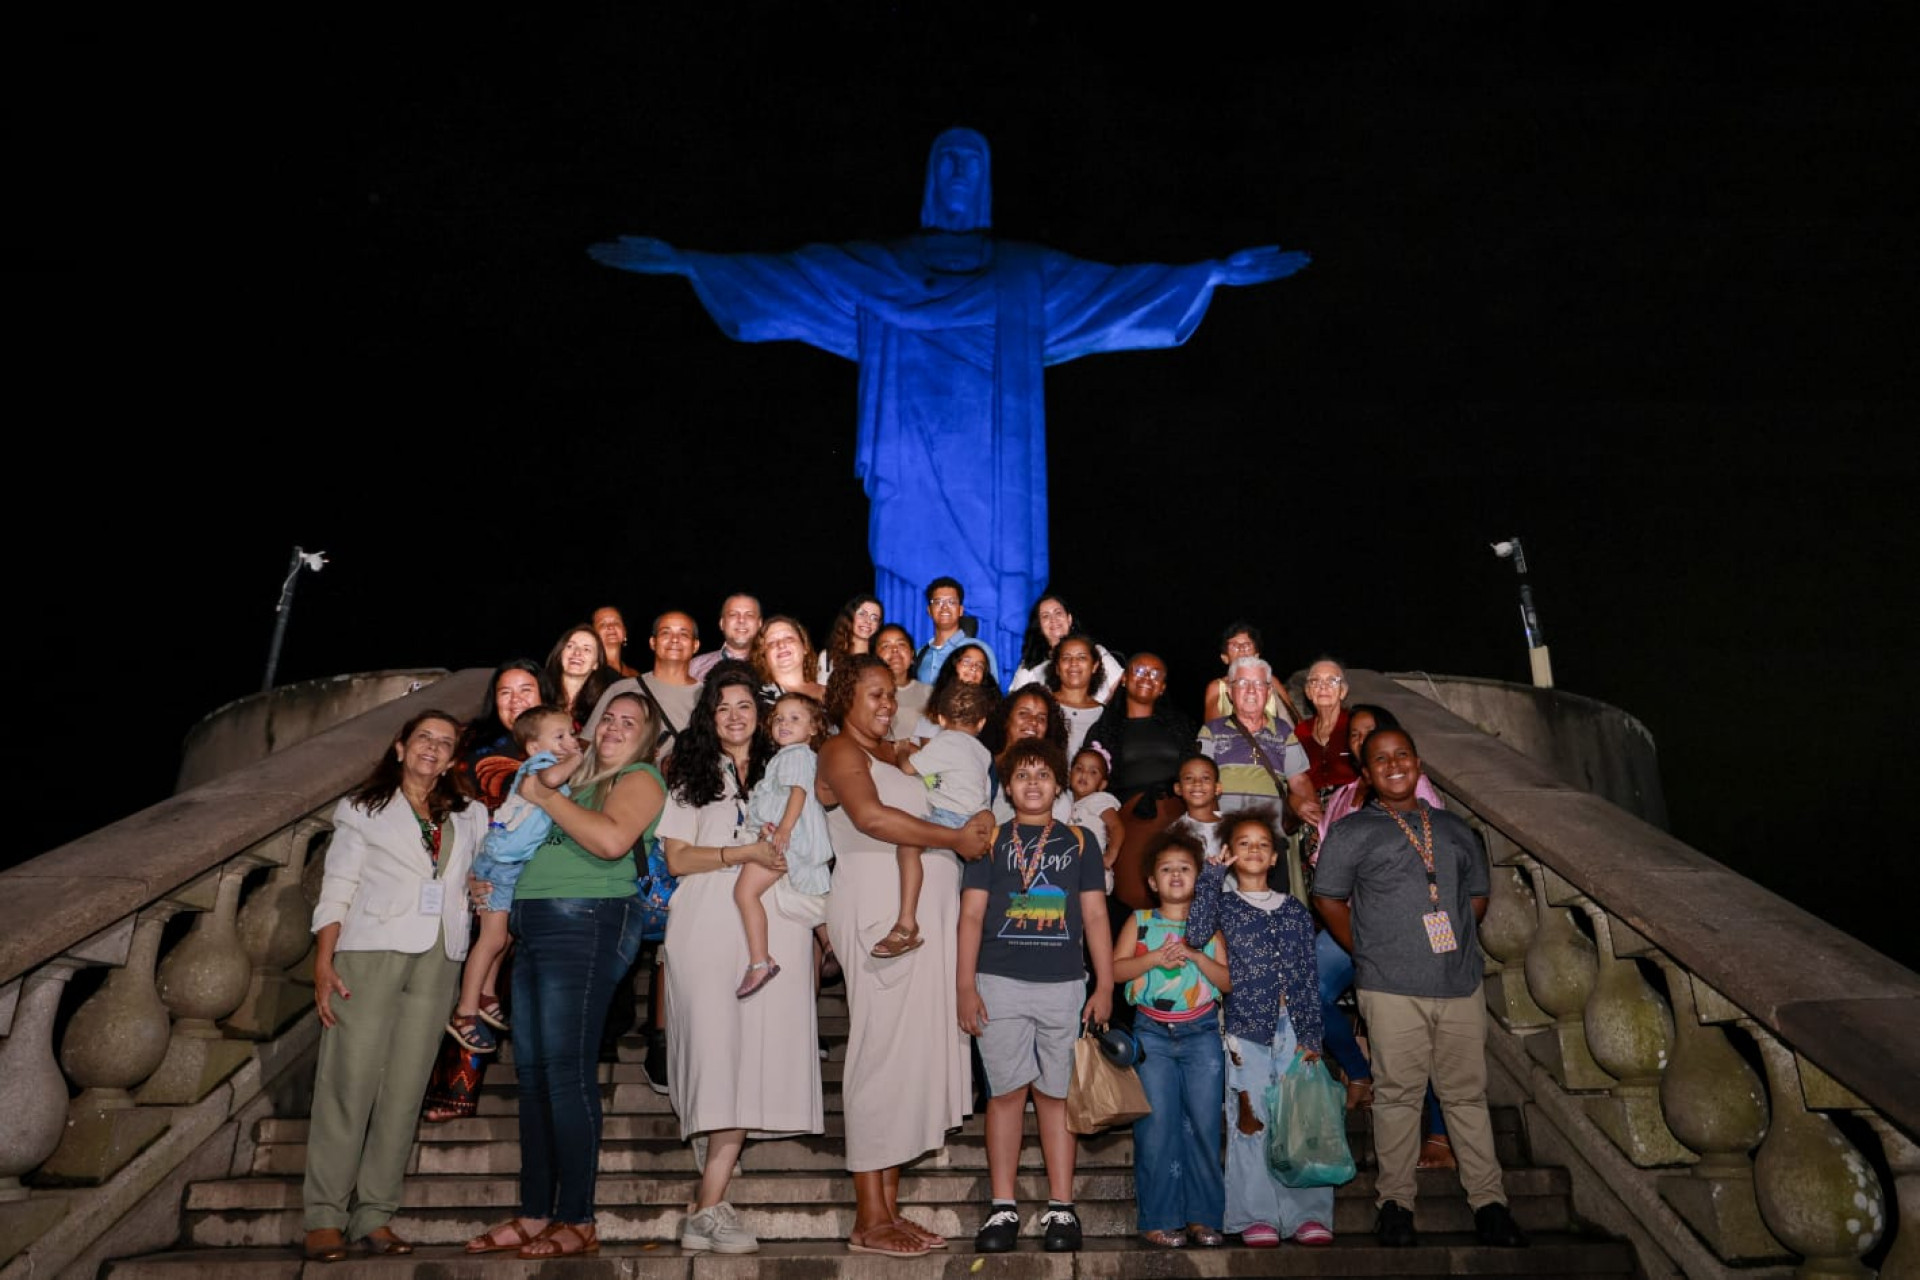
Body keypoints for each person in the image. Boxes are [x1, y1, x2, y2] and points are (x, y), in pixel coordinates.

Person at [590, 127, 1309, 668]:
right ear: (932, 177)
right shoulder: (885, 265)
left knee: (995, 592)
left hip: (993, 469)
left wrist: (1208, 274)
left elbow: (1116, 293)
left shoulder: (1025, 273)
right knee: (907, 580)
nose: (960, 173)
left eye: (974, 162)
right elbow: (791, 280)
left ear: (988, 179)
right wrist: (690, 263)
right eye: (948, 160)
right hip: (910, 459)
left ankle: (989, 696)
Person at [464, 688, 666, 1260]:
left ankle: (577, 1217)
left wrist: (543, 798)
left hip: (589, 920)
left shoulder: (640, 778)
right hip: (536, 924)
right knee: (532, 1076)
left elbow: (609, 841)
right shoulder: (566, 779)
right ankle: (536, 1211)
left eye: (631, 722)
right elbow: (521, 838)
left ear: (645, 738)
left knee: (566, 1071)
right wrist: (489, 876)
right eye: (609, 718)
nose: (616, 727)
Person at [1312, 727, 1529, 1250]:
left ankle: (1490, 1204)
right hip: (1390, 987)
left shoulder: (1455, 830)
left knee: (1466, 1096)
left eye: (1401, 756)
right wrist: (1366, 950)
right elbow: (1327, 899)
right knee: (1398, 1096)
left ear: (1417, 763)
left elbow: (1475, 899)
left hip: (1457, 984)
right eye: (1379, 760)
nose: (1392, 766)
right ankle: (1395, 1205)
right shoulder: (1353, 831)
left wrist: (1448, 940)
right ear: (1366, 774)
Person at [817, 655, 994, 1259]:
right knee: (879, 1051)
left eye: (891, 695)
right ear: (844, 695)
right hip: (877, 904)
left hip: (926, 908)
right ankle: (868, 1218)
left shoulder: (893, 751)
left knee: (904, 1057)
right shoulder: (840, 751)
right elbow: (869, 817)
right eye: (874, 694)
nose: (887, 704)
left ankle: (888, 1210)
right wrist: (953, 838)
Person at [649, 662, 823, 1254]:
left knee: (751, 1059)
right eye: (722, 707)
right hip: (705, 921)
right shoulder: (690, 777)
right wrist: (739, 851)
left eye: (744, 706)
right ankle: (710, 1197)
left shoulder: (790, 767)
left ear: (764, 714)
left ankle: (708, 1202)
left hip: (776, 930)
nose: (734, 716)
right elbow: (675, 859)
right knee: (717, 1053)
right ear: (708, 715)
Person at [304, 710, 483, 1262]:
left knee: (404, 1091)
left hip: (439, 957)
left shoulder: (470, 814)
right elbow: (339, 885)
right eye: (423, 738)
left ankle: (375, 1215)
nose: (433, 748)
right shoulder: (364, 809)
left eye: (444, 743)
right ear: (401, 747)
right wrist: (323, 961)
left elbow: (471, 875)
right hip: (368, 952)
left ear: (454, 759)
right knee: (349, 1081)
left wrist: (476, 888)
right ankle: (324, 1217)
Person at [956, 736, 1113, 1254]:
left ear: (1059, 784)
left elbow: (1094, 915)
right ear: (1007, 785)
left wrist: (1105, 983)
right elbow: (973, 915)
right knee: (1004, 1097)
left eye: (1042, 775)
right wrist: (964, 985)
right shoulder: (990, 840)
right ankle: (1003, 1207)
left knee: (1054, 1097)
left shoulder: (1082, 841)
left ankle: (1061, 1208)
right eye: (1021, 775)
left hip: (1064, 984)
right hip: (998, 982)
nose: (1032, 783)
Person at [1183, 808, 1335, 1249]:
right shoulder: (1225, 904)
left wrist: (1312, 1036)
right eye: (1244, 843)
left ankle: (1307, 1215)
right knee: (1251, 1122)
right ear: (1232, 853)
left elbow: (1309, 975)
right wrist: (1211, 879)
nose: (1253, 849)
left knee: (1299, 1119)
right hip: (1246, 1029)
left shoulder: (1294, 910)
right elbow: (1194, 934)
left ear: (1273, 859)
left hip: (1295, 1027)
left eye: (1262, 845)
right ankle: (1256, 1215)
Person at [1310, 703, 1452, 1151]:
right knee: (1304, 992)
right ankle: (1358, 1069)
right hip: (1353, 922)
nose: (1361, 739)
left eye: (1370, 731)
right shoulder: (1341, 797)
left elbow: (1440, 860)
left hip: (1412, 927)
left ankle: (1441, 1135)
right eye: (1353, 735)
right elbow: (1324, 866)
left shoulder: (1416, 787)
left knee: (1426, 1028)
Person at [422, 659, 556, 1124]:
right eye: (505, 691)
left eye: (526, 690)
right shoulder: (471, 749)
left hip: (545, 881)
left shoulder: (557, 745)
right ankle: (454, 1091)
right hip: (491, 874)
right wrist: (469, 871)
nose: (515, 699)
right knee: (480, 981)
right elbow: (456, 817)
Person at [1112, 829, 1230, 1249]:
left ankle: (1204, 1218)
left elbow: (1228, 982)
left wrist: (1198, 954)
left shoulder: (1209, 927)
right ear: (1151, 881)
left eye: (1184, 868)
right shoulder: (1141, 922)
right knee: (1157, 1128)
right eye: (1166, 869)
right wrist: (1153, 958)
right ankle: (1159, 1218)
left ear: (1198, 877)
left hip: (1200, 1034)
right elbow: (1116, 970)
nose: (1175, 875)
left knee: (1202, 1124)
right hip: (1152, 1034)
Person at [447, 707, 582, 1055]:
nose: (569, 742)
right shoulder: (539, 768)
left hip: (512, 863)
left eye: (571, 734)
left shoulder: (551, 765)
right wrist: (578, 757)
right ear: (535, 747)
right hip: (500, 863)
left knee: (504, 936)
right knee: (492, 939)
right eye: (561, 737)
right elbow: (552, 782)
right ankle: (464, 1010)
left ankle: (488, 991)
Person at [883, 680, 996, 958]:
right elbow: (943, 777)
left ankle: (907, 920)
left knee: (908, 846)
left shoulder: (945, 741)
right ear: (981, 723)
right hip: (977, 821)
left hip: (950, 819)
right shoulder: (982, 752)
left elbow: (909, 769)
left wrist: (900, 751)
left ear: (941, 719)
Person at [732, 691, 833, 998]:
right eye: (779, 718)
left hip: (789, 839)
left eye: (794, 718)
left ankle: (760, 961)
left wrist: (784, 830)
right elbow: (781, 799)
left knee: (744, 892)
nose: (784, 724)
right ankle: (830, 943)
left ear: (813, 728)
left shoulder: (796, 755)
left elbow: (798, 793)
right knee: (807, 899)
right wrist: (770, 824)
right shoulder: (789, 757)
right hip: (786, 835)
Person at [1087, 653, 1196, 911]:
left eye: (1155, 674)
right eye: (1139, 670)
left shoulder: (1180, 726)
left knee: (1182, 899)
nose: (1147, 677)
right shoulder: (1105, 728)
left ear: (1163, 687)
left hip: (1177, 819)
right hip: (1130, 822)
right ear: (1124, 679)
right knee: (1135, 899)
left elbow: (1196, 768)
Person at [1196, 655, 1321, 826]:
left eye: (1259, 683)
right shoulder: (1212, 731)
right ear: (1230, 692)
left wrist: (1310, 810)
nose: (1251, 690)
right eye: (1242, 683)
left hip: (1271, 834)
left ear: (1269, 692)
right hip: (1224, 829)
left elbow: (1299, 781)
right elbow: (1199, 781)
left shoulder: (1283, 731)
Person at [1009, 594, 1124, 697]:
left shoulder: (1097, 652)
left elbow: (1121, 688)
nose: (1053, 619)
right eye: (1045, 616)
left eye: (1058, 613)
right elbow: (1013, 704)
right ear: (1039, 626)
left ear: (1069, 619)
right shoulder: (1030, 666)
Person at [1199, 621, 1300, 725]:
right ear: (1225, 658)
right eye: (1234, 646)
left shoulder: (1271, 681)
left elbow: (1295, 717)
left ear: (1256, 655)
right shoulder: (1217, 687)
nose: (1242, 649)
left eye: (1247, 645)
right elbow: (1212, 726)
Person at [907, 639, 997, 744]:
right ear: (954, 666)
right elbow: (929, 751)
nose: (973, 668)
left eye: (980, 665)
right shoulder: (937, 704)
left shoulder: (990, 710)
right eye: (967, 662)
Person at [915, 576, 1000, 685]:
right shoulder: (920, 654)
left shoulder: (980, 651)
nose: (944, 607)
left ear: (960, 610)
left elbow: (992, 696)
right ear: (929, 610)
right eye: (938, 602)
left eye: (951, 602)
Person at [1295, 657, 1360, 797]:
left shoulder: (1356, 724)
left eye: (1332, 681)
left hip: (1353, 805)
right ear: (1308, 692)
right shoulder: (1300, 732)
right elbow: (1294, 779)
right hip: (1313, 807)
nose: (1323, 686)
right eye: (1315, 681)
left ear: (1343, 691)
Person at [1066, 744, 1124, 891]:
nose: (1084, 774)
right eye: (1079, 769)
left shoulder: (1099, 799)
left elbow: (1116, 827)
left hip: (1095, 871)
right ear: (1069, 775)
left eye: (1093, 772)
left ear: (1102, 784)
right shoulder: (1067, 803)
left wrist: (1110, 856)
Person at [641, 609, 703, 736]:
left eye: (684, 634)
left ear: (695, 646)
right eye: (665, 633)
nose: (674, 639)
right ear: (653, 642)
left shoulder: (709, 696)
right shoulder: (623, 690)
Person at [1045, 632, 1107, 759]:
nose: (1073, 663)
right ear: (1057, 668)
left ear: (1094, 666)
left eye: (1082, 657)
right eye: (1066, 658)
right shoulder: (1042, 705)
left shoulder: (1104, 715)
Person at [544, 624, 616, 729]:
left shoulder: (605, 705)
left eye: (587, 649)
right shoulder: (539, 693)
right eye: (570, 646)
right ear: (560, 654)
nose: (577, 653)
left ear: (596, 663)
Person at [873, 623, 931, 743]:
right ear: (875, 656)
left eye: (901, 644)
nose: (894, 650)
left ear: (912, 654)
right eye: (886, 646)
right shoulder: (867, 694)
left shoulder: (930, 694)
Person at [751, 614, 827, 702]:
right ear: (763, 656)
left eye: (789, 638)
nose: (781, 645)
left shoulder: (831, 693)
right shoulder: (759, 699)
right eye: (771, 643)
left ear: (805, 647)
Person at [1166, 751, 1226, 864]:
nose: (1197, 783)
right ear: (1178, 788)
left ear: (1217, 788)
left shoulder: (1233, 825)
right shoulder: (1175, 832)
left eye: (1205, 778)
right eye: (1189, 778)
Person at [689, 592, 763, 681]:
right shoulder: (695, 667)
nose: (741, 620)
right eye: (733, 614)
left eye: (749, 615)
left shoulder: (773, 667)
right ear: (722, 623)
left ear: (759, 623)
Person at [817, 593, 884, 686]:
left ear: (878, 626)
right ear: (850, 617)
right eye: (862, 614)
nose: (868, 621)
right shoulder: (828, 658)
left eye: (874, 618)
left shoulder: (879, 659)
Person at [593, 606, 642, 678]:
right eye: (603, 624)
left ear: (624, 632)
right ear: (593, 634)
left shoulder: (635, 675)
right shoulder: (589, 670)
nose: (611, 626)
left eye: (616, 622)